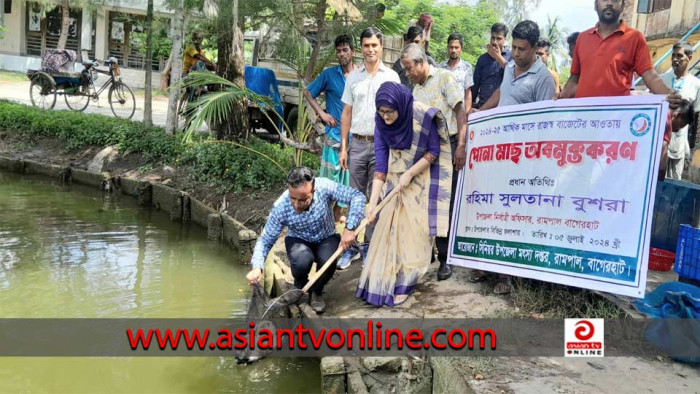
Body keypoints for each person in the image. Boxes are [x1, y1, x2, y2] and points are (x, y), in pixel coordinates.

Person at [469, 21, 556, 294]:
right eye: (514, 47)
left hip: (523, 158)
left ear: (534, 49)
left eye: (522, 49)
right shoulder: (508, 67)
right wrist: (481, 111)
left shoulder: (544, 79)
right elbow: (500, 94)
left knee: (513, 215)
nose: (516, 53)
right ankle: (486, 263)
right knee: (492, 208)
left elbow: (544, 122)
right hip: (497, 152)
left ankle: (506, 274)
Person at [356, 82, 452, 306]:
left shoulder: (421, 115)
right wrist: (372, 205)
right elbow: (380, 167)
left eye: (390, 112)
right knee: (391, 232)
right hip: (393, 180)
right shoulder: (380, 122)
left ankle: (406, 283)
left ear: (401, 106)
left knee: (412, 236)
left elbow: (434, 152)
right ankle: (387, 281)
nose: (386, 116)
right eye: (381, 112)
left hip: (419, 179)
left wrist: (409, 174)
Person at [245, 167, 366, 314]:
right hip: (298, 239)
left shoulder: (324, 187)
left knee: (327, 260)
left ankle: (317, 291)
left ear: (313, 191)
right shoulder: (281, 206)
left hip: (326, 236)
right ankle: (300, 286)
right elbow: (265, 240)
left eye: (303, 200)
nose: (296, 204)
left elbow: (357, 196)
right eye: (293, 198)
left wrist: (350, 227)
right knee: (301, 261)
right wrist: (257, 266)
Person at [400, 43, 468, 281]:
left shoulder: (444, 78)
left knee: (443, 205)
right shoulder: (415, 90)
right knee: (424, 202)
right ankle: (424, 254)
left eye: (409, 68)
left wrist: (461, 145)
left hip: (447, 148)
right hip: (424, 152)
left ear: (420, 63)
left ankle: (445, 260)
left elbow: (461, 112)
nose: (407, 74)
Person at [339, 27, 400, 269]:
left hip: (382, 146)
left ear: (381, 47)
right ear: (361, 48)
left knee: (376, 198)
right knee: (354, 197)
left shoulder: (392, 77)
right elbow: (346, 113)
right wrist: (344, 148)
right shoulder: (353, 77)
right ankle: (351, 247)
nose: (370, 50)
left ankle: (369, 247)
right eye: (366, 46)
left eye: (374, 45)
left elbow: (399, 113)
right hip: (357, 144)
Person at [559, 0, 680, 107]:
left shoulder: (634, 38)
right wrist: (561, 97)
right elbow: (575, 77)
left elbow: (649, 75)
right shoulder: (582, 38)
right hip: (583, 117)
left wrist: (668, 94)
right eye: (604, 0)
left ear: (623, 6)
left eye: (615, 0)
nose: (609, 3)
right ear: (596, 4)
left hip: (616, 120)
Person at [303, 34, 357, 257]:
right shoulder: (329, 75)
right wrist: (322, 113)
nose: (342, 54)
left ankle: (338, 224)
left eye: (345, 50)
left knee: (348, 184)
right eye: (339, 50)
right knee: (329, 182)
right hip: (334, 136)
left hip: (356, 138)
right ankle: (325, 230)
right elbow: (308, 91)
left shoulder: (361, 76)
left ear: (353, 51)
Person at [659, 41, 700, 180]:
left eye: (679, 56)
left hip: (678, 144)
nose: (675, 60)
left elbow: (694, 115)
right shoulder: (661, 80)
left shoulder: (696, 84)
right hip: (658, 140)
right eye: (673, 56)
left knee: (672, 183)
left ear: (689, 58)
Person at [472, 23, 512, 108]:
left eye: (498, 39)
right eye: (492, 38)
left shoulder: (511, 57)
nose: (494, 42)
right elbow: (475, 84)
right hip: (483, 109)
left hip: (504, 108)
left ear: (505, 39)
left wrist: (498, 57)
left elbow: (514, 74)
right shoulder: (482, 59)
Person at [392, 26, 437, 90]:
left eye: (417, 42)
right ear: (407, 42)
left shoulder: (429, 62)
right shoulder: (398, 64)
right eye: (412, 42)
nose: (414, 45)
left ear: (422, 42)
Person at [440, 32, 474, 114]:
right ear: (447, 48)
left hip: (459, 113)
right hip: (443, 112)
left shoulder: (467, 67)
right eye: (451, 47)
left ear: (461, 48)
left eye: (456, 47)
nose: (453, 50)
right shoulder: (440, 67)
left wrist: (467, 112)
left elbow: (468, 92)